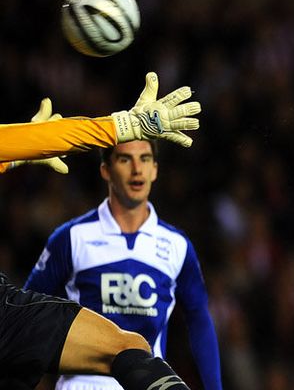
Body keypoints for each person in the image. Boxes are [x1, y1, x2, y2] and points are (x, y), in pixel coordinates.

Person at [0, 72, 200, 390]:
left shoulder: (174, 243)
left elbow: (8, 144)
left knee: (127, 346)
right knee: (126, 346)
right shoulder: (74, 238)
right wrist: (124, 127)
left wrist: (19, 152)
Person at [25, 138, 222, 390]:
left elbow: (199, 319)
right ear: (106, 170)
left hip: (150, 382)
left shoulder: (177, 245)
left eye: (145, 159)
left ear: (155, 170)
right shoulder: (71, 238)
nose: (137, 169)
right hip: (83, 383)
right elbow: (29, 313)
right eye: (124, 159)